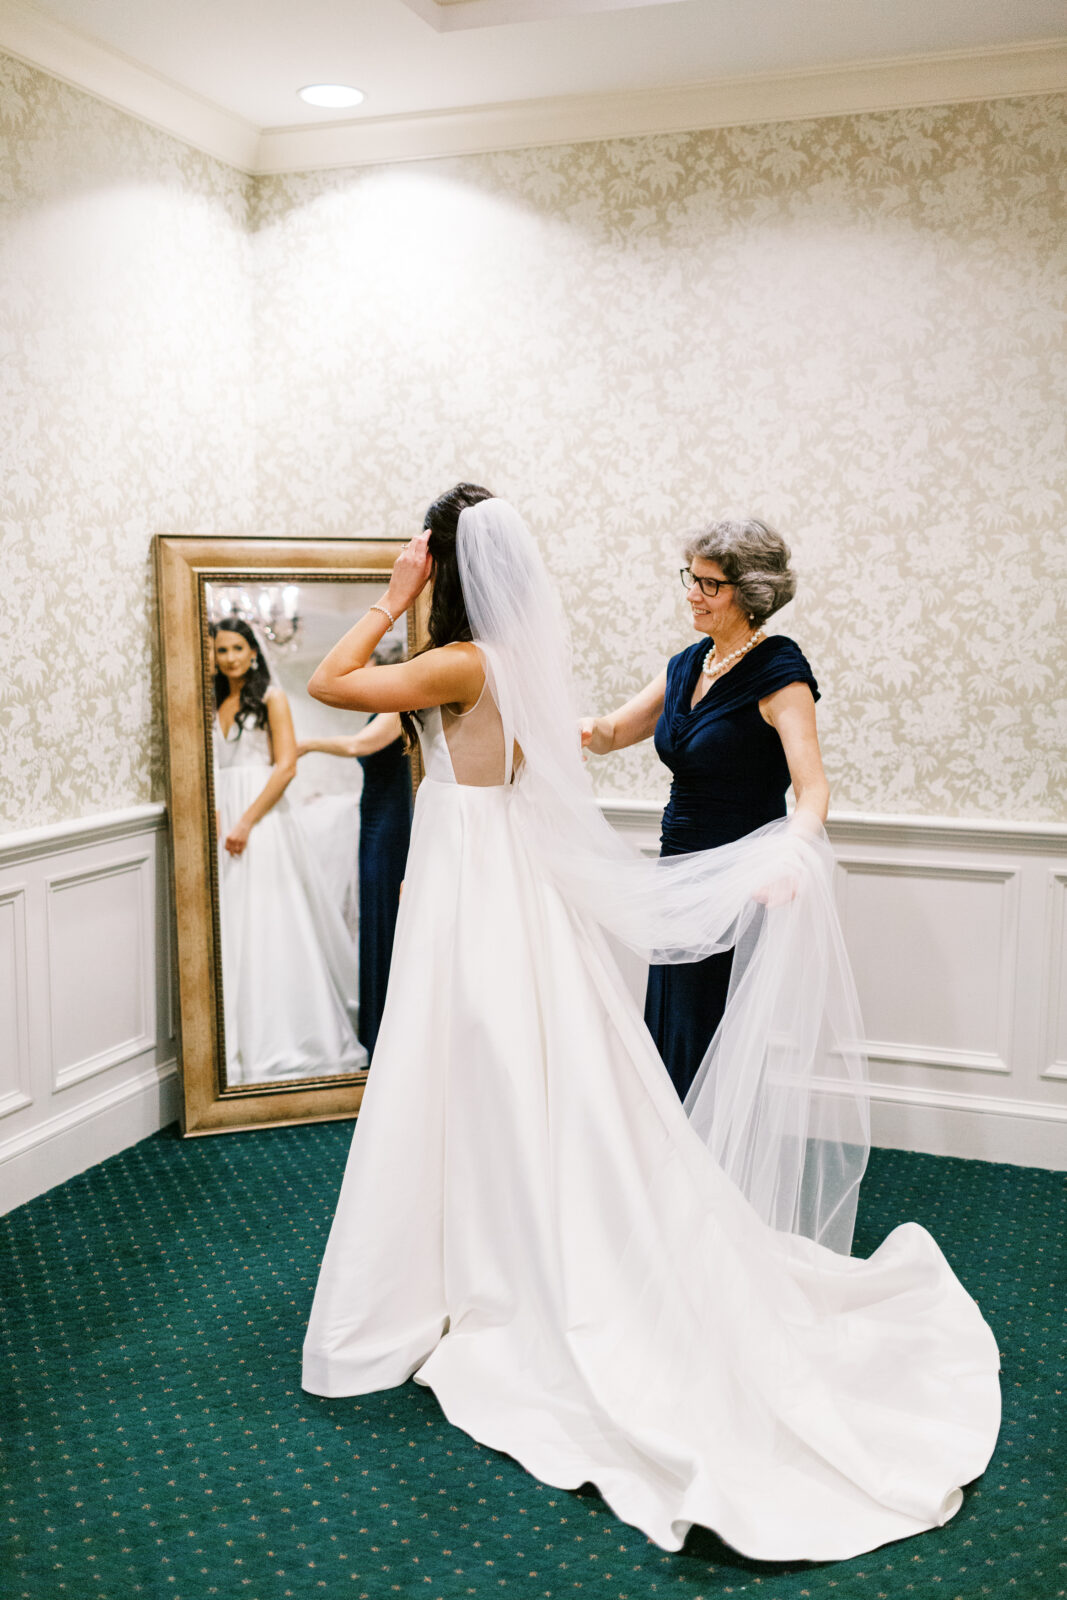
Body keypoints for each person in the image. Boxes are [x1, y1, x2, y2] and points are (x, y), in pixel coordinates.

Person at [299, 488, 1000, 1561]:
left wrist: (389, 600)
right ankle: (488, 1234)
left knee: (494, 1058)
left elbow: (328, 681)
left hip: (523, 884)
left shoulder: (473, 662)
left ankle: (495, 1251)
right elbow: (588, 736)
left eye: (704, 581)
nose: (690, 593)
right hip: (513, 876)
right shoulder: (566, 668)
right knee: (529, 1064)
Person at [580, 519, 824, 1101]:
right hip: (679, 871)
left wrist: (789, 858)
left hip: (740, 879)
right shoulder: (690, 663)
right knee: (672, 1011)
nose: (693, 592)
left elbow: (813, 788)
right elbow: (615, 730)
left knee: (707, 1021)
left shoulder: (780, 672)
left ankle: (705, 1171)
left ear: (751, 593)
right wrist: (583, 730)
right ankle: (672, 1156)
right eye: (692, 577)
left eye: (710, 584)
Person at [210, 618, 367, 1083]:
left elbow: (285, 768)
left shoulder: (272, 698)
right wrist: (216, 817)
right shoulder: (212, 700)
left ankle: (287, 1035)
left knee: (269, 918)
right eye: (222, 650)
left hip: (262, 817)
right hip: (219, 814)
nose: (231, 657)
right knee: (229, 921)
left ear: (253, 651)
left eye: (238, 648)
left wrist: (246, 821)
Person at [297, 691, 413, 1059]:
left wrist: (307, 744)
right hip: (373, 813)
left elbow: (359, 744)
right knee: (373, 914)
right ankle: (376, 1024)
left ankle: (390, 1030)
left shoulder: (399, 704)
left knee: (385, 915)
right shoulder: (387, 707)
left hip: (391, 819)